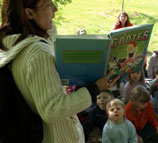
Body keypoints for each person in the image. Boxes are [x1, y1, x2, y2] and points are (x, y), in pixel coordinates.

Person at [0, 0, 119, 143]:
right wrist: (95, 88)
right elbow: (52, 109)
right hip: (57, 137)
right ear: (29, 13)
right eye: (48, 4)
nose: (55, 9)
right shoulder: (38, 52)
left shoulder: (10, 44)